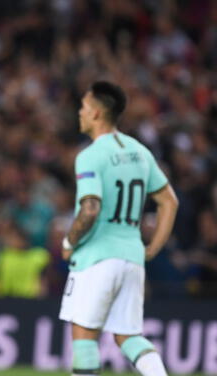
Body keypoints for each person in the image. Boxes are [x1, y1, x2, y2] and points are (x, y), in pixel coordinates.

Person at [59, 81, 178, 376]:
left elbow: (90, 209)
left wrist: (68, 242)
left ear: (97, 114)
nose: (80, 113)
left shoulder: (90, 155)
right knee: (129, 336)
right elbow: (169, 201)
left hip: (96, 258)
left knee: (85, 339)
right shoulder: (139, 151)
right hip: (132, 257)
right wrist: (151, 248)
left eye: (84, 108)